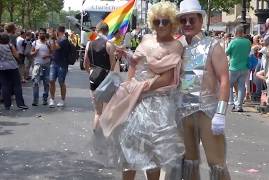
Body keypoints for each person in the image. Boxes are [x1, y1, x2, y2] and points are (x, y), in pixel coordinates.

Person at [94, 1, 184, 180]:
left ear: (172, 23)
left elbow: (166, 79)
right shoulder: (146, 39)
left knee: (152, 153)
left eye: (165, 21)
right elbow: (135, 66)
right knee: (128, 149)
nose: (160, 25)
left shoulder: (176, 46)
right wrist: (128, 58)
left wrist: (138, 87)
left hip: (156, 104)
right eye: (157, 21)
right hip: (133, 101)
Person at [176, 0, 230, 179]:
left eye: (192, 19)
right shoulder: (179, 47)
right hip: (183, 113)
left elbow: (224, 79)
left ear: (200, 20)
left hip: (207, 112)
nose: (188, 24)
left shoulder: (213, 45)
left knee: (217, 163)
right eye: (184, 20)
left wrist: (221, 113)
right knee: (189, 162)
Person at [83, 23, 116, 130]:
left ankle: (96, 131)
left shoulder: (89, 44)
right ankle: (107, 132)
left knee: (98, 112)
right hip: (106, 79)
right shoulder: (109, 44)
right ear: (107, 31)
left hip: (94, 78)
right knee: (108, 108)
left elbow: (85, 64)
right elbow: (113, 65)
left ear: (97, 30)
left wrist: (92, 72)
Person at [226, 25, 252, 112]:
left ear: (236, 33)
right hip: (244, 67)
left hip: (233, 67)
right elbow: (248, 51)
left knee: (229, 85)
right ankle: (239, 106)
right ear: (243, 33)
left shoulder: (233, 42)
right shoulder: (248, 42)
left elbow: (226, 52)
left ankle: (231, 103)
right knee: (241, 87)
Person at [0, 32, 28, 110]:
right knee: (17, 85)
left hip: (1, 67)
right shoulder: (10, 45)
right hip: (12, 66)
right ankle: (20, 103)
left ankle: (7, 105)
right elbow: (16, 55)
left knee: (4, 86)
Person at [49, 26, 70, 107]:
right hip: (54, 63)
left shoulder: (64, 40)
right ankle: (52, 99)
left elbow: (54, 48)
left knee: (61, 82)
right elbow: (52, 48)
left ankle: (62, 99)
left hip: (62, 64)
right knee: (51, 80)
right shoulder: (58, 39)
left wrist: (53, 40)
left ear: (58, 31)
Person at [31, 28, 52, 106]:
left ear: (45, 34)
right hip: (37, 65)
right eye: (40, 33)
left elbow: (52, 53)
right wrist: (35, 52)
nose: (41, 35)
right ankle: (35, 100)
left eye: (43, 33)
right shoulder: (35, 43)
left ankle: (44, 99)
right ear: (38, 34)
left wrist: (48, 55)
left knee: (46, 83)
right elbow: (31, 53)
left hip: (46, 65)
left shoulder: (48, 43)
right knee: (35, 83)